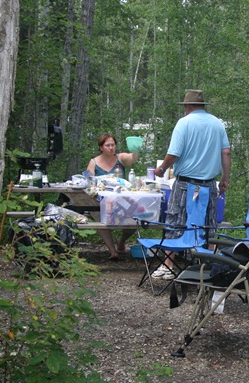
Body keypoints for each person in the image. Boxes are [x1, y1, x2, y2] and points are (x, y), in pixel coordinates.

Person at [153, 89, 231, 279]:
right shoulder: (217, 124)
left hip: (184, 185)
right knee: (208, 223)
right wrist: (225, 178)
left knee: (175, 221)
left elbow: (174, 154)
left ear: (187, 106)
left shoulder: (184, 123)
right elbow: (226, 153)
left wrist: (162, 169)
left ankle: (168, 266)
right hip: (209, 184)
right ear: (203, 106)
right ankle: (209, 265)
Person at [86, 133, 140, 260]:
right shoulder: (93, 162)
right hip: (100, 201)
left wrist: (136, 149)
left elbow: (132, 158)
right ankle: (113, 251)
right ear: (101, 147)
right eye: (107, 145)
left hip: (120, 200)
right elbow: (88, 182)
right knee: (99, 216)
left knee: (136, 215)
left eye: (113, 145)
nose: (111, 148)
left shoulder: (120, 158)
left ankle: (121, 242)